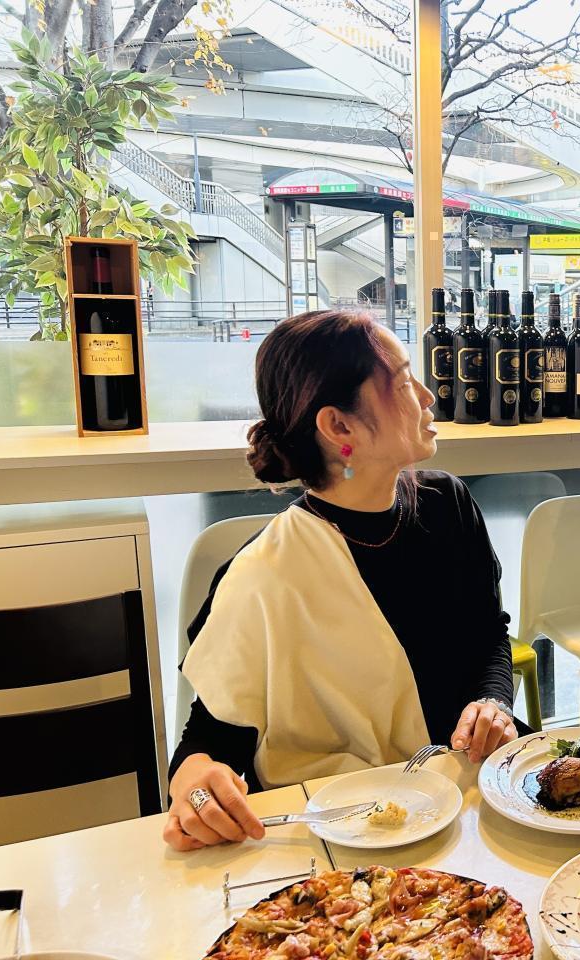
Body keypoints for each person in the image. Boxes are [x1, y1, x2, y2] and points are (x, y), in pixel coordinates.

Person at [164, 310, 518, 851]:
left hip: (460, 791)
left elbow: (489, 634)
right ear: (339, 427)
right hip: (339, 827)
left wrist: (493, 703)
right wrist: (193, 785)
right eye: (403, 382)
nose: (427, 396)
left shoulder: (448, 506)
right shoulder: (263, 576)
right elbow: (208, 744)